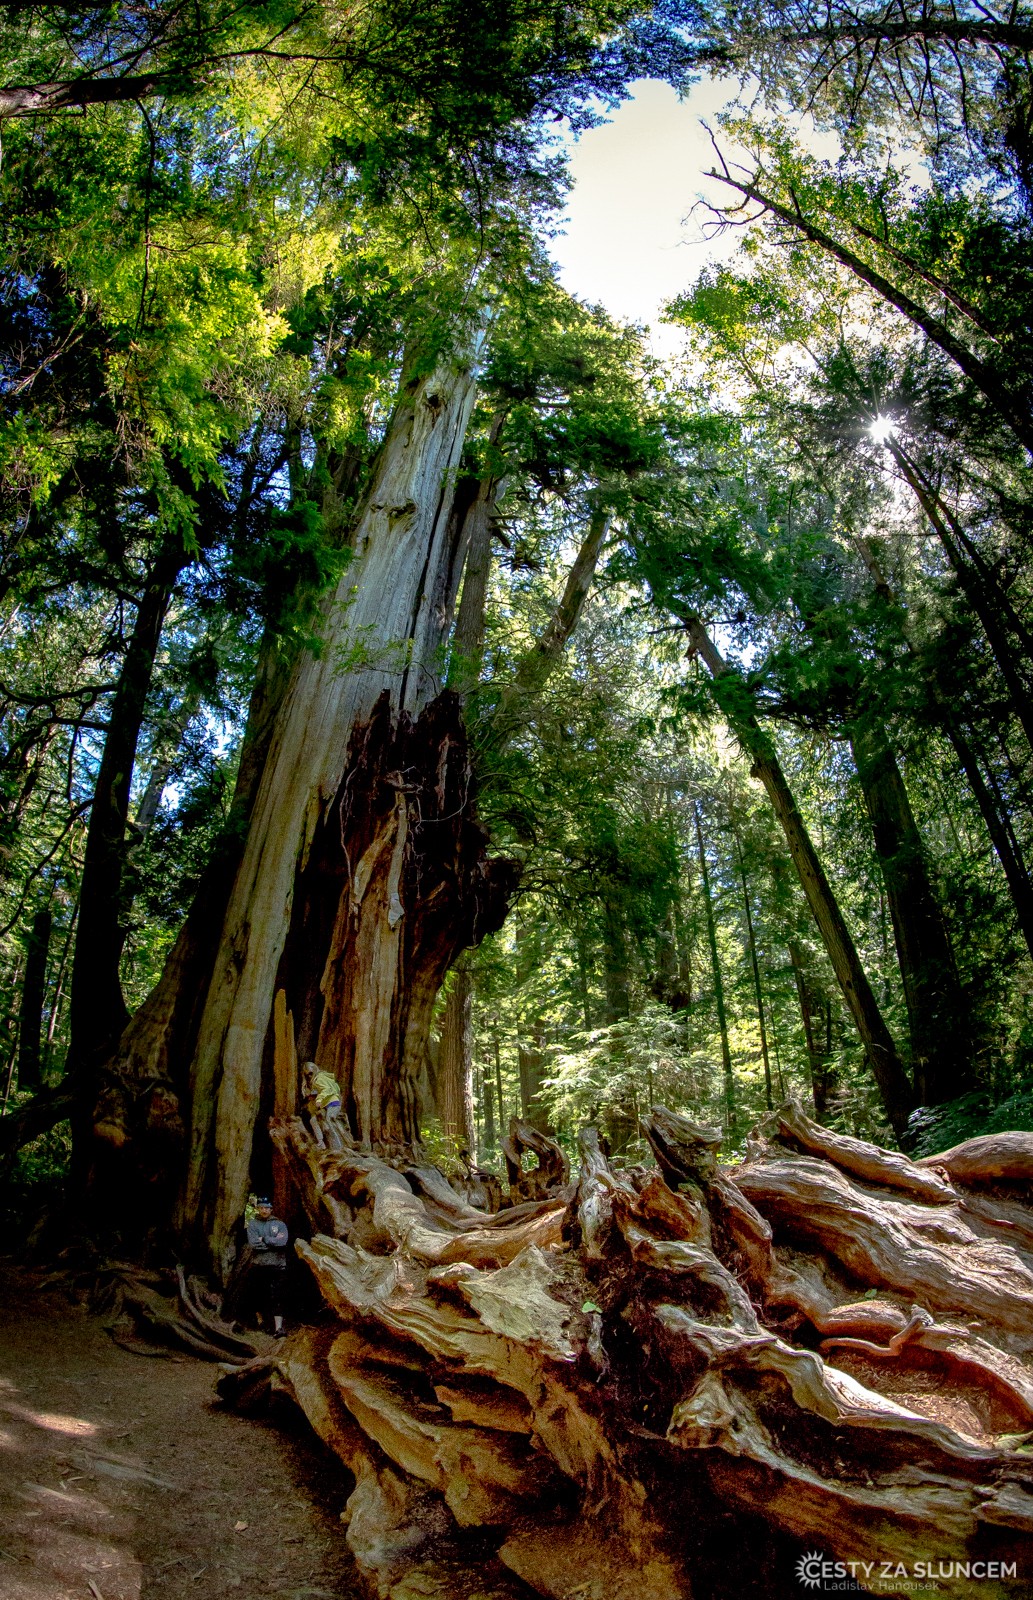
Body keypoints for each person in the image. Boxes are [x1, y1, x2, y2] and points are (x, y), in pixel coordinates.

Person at [245, 1197, 289, 1337]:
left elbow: (282, 1242)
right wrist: (273, 1242)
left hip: (277, 1266)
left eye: (267, 1208)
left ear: (271, 1209)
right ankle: (262, 1322)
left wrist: (264, 1239)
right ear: (258, 1209)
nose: (264, 1210)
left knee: (278, 1296)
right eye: (261, 1207)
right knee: (258, 1295)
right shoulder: (253, 1224)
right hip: (259, 1266)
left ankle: (278, 1328)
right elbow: (253, 1244)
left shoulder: (279, 1224)